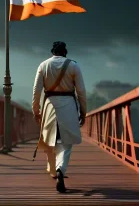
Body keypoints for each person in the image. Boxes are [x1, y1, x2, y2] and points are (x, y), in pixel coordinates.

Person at [32, 41, 86, 193]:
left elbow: (36, 91)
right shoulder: (74, 66)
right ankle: (60, 170)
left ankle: (52, 169)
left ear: (52, 51)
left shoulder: (43, 65)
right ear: (65, 52)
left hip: (50, 106)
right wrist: (83, 111)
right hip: (68, 106)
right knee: (65, 142)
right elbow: (81, 91)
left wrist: (36, 110)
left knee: (50, 139)